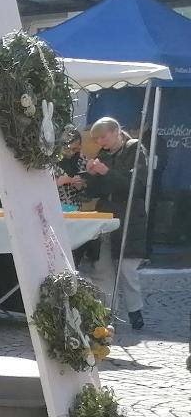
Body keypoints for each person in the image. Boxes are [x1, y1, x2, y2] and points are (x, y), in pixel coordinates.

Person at [63, 116, 149, 329]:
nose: (100, 142)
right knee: (103, 267)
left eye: (103, 137)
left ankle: (135, 311)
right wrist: (88, 180)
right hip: (105, 216)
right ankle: (108, 312)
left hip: (128, 216)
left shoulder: (134, 150)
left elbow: (134, 186)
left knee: (126, 267)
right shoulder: (103, 154)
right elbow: (98, 190)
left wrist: (106, 172)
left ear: (116, 132)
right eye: (97, 139)